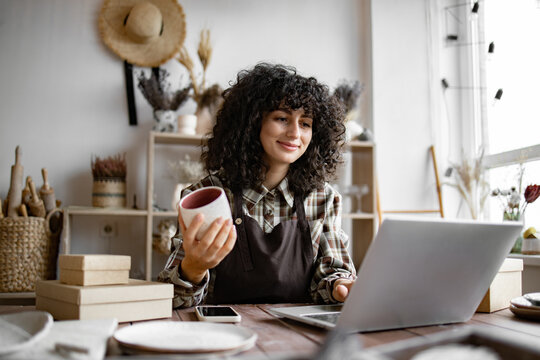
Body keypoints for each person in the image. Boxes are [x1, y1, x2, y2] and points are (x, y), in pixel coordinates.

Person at [158, 63, 356, 308]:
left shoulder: (324, 199)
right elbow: (172, 301)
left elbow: (331, 276)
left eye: (305, 123)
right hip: (224, 335)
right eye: (282, 118)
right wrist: (193, 269)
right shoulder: (206, 196)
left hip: (297, 336)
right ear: (252, 123)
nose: (295, 133)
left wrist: (340, 288)